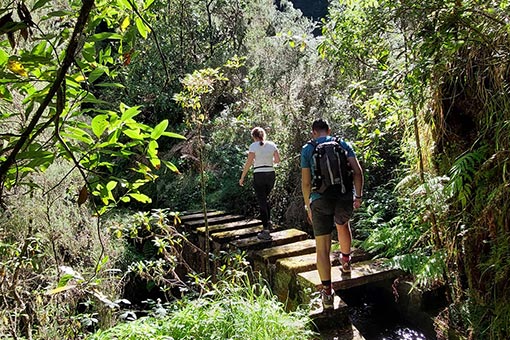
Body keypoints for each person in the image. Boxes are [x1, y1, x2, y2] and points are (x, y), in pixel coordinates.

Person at [300, 118, 363, 310]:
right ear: (329, 129)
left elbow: (306, 183)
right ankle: (345, 262)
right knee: (343, 225)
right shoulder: (342, 143)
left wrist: (308, 206)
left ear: (313, 132)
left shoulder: (307, 149)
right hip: (343, 197)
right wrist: (357, 196)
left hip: (320, 200)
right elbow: (358, 172)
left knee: (322, 247)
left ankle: (327, 293)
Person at [239, 127, 280, 240]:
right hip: (271, 174)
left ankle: (266, 230)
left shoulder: (253, 146)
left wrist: (242, 177)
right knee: (265, 198)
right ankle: (269, 222)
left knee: (262, 201)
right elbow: (277, 160)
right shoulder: (272, 145)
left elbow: (249, 162)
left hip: (259, 175)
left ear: (254, 137)